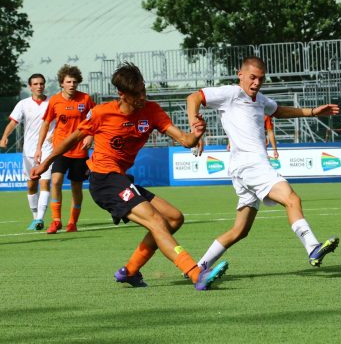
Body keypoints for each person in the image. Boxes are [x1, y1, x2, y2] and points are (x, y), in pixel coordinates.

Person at [30, 62, 227, 290]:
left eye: (144, 91)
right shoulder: (102, 113)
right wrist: (45, 162)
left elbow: (184, 140)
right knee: (155, 221)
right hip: (103, 180)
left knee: (174, 218)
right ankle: (195, 274)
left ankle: (130, 271)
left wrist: (195, 135)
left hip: (121, 179)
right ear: (122, 94)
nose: (142, 97)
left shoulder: (151, 111)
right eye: (137, 94)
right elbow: (73, 138)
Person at [187, 56, 340, 270]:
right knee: (292, 199)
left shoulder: (260, 99)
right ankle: (313, 247)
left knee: (240, 231)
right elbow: (194, 97)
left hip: (245, 168)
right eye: (252, 78)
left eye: (261, 79)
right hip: (250, 166)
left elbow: (279, 111)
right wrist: (195, 126)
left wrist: (312, 112)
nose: (256, 83)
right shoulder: (231, 93)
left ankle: (198, 267)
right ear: (240, 75)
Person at [34, 65, 95, 234]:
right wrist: (39, 148)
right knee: (55, 182)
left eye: (74, 81)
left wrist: (90, 136)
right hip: (60, 150)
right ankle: (56, 221)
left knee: (76, 187)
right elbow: (46, 123)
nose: (72, 84)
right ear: (62, 83)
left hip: (80, 151)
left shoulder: (86, 99)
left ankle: (72, 222)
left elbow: (96, 120)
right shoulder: (55, 100)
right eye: (68, 81)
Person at [1, 74, 54, 230]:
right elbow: (13, 122)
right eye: (36, 84)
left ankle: (40, 219)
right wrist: (4, 136)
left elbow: (61, 122)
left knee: (45, 182)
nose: (39, 86)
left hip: (47, 149)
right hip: (29, 150)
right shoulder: (23, 104)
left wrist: (54, 135)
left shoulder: (52, 103)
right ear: (30, 86)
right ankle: (34, 217)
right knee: (31, 185)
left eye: (42, 83)